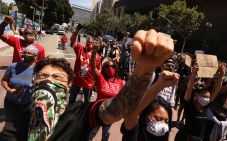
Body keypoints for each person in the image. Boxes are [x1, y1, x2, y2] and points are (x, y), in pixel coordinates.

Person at [28, 29, 175, 141]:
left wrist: (145, 70)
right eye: (42, 76)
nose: (49, 80)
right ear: (33, 81)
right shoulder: (16, 119)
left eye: (57, 77)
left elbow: (117, 108)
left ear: (67, 86)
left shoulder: (77, 114)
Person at [121, 69, 179, 141]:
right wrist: (159, 85)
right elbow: (132, 111)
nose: (163, 125)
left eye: (166, 121)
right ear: (145, 116)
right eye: (158, 119)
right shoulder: (134, 134)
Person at [174, 63, 225, 141]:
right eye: (204, 97)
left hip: (199, 138)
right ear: (197, 96)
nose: (207, 100)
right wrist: (194, 73)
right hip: (185, 137)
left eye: (208, 98)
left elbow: (216, 90)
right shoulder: (189, 104)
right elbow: (189, 89)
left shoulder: (205, 107)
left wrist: (221, 74)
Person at [0, 45, 39, 141]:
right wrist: (9, 90)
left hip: (27, 104)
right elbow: (4, 80)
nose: (25, 55)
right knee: (9, 123)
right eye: (24, 52)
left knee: (23, 125)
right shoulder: (14, 66)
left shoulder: (38, 71)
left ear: (35, 57)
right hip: (11, 102)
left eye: (29, 53)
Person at [89, 39, 124, 141]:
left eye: (112, 66)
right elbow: (93, 67)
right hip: (97, 112)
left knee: (105, 134)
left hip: (110, 113)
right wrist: (94, 52)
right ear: (104, 68)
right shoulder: (100, 78)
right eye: (107, 66)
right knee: (91, 133)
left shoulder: (120, 82)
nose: (110, 68)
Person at [69, 24, 101, 104]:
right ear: (86, 42)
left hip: (89, 83)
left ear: (93, 43)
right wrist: (76, 31)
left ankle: (84, 114)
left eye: (91, 42)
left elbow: (98, 70)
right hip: (77, 80)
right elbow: (72, 40)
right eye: (88, 42)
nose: (89, 43)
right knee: (71, 100)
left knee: (87, 102)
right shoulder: (80, 49)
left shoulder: (97, 56)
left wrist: (96, 82)